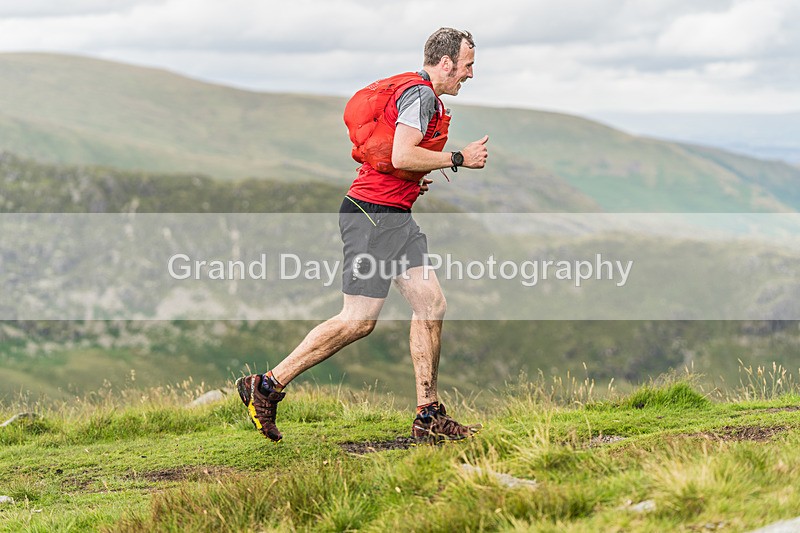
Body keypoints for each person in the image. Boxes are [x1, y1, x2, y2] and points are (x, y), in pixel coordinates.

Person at [236, 27, 489, 443]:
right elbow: (400, 154)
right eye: (468, 65)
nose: (470, 74)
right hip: (373, 216)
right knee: (358, 321)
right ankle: (265, 386)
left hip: (393, 216)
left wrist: (414, 179)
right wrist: (459, 158)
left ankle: (428, 416)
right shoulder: (422, 96)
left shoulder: (416, 92)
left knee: (431, 304)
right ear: (446, 63)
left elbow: (397, 160)